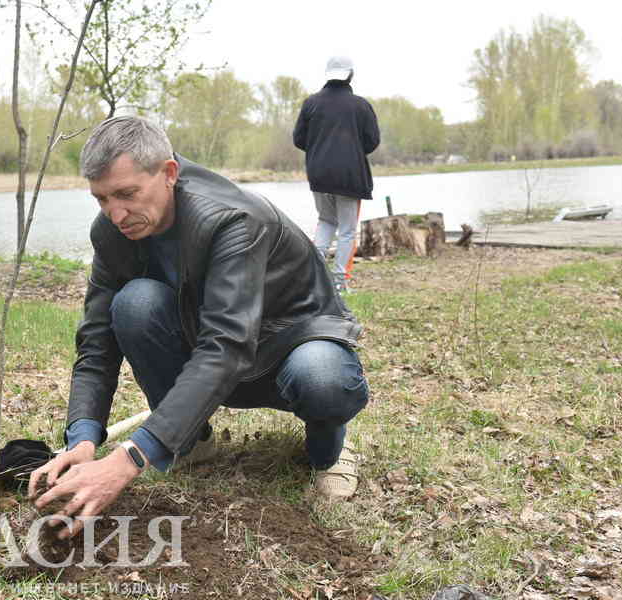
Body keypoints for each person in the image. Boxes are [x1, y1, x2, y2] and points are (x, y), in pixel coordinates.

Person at [29, 116, 369, 539]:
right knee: (133, 303)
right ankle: (190, 442)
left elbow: (225, 346)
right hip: (212, 356)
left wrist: (130, 458)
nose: (115, 214)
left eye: (127, 194)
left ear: (169, 173)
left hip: (292, 348)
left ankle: (329, 452)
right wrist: (82, 438)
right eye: (101, 199)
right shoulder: (114, 231)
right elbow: (97, 342)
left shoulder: (233, 219)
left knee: (322, 378)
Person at [293, 55, 380, 292]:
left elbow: (298, 139)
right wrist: (350, 150)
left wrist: (320, 150)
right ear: (350, 75)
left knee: (325, 221)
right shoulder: (361, 105)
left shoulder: (311, 103)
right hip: (350, 176)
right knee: (347, 230)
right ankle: (340, 283)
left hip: (319, 174)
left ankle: (317, 281)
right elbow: (372, 141)